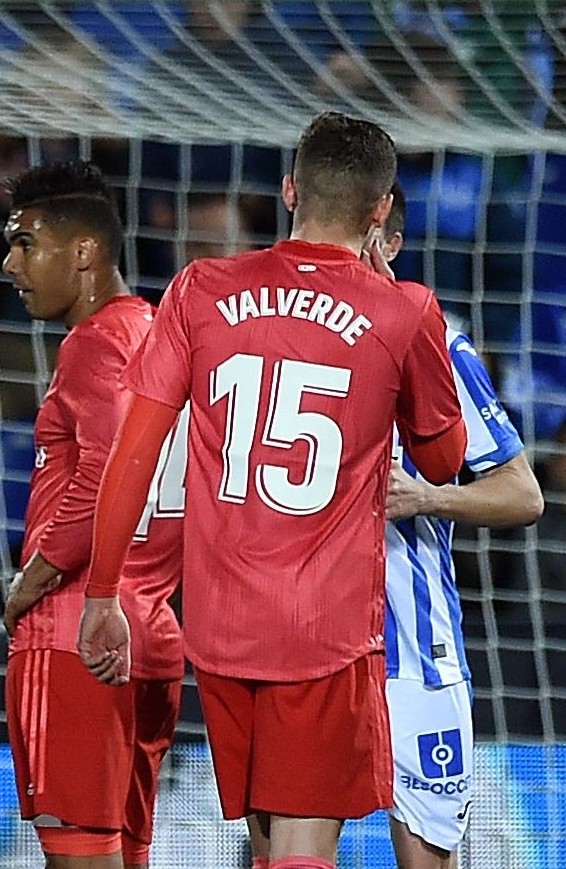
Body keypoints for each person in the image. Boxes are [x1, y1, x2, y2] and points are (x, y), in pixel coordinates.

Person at [78, 111, 468, 869]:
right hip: (324, 631)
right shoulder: (404, 309)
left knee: (266, 847)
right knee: (302, 849)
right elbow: (443, 456)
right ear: (381, 210)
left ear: (289, 190)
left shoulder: (199, 288)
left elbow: (134, 452)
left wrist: (103, 594)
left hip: (221, 626)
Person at [0, 161, 184, 869]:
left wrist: (33, 578)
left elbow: (107, 473)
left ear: (84, 253)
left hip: (77, 634)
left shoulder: (95, 342)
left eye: (25, 244)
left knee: (80, 858)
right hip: (151, 632)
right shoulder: (164, 338)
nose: (10, 264)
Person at [374, 184, 543, 869]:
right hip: (305, 642)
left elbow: (523, 494)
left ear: (391, 243)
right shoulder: (285, 339)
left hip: (414, 649)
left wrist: (426, 497)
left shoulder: (435, 344)